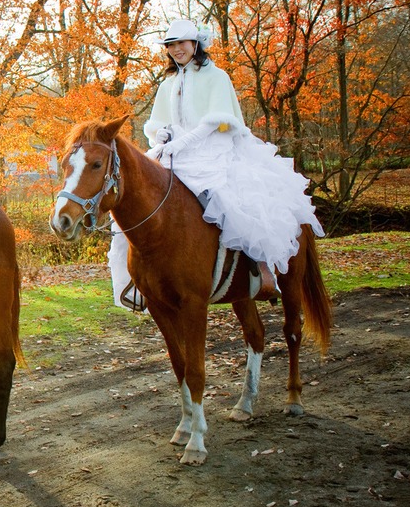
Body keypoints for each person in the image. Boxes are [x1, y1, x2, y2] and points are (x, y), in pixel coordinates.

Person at [110, 18, 324, 309]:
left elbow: (219, 121)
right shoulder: (169, 83)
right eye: (171, 45)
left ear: (195, 44)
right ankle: (136, 282)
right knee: (131, 198)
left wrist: (183, 142)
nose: (176, 50)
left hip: (213, 149)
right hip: (172, 151)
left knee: (230, 198)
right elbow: (157, 122)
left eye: (181, 43)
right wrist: (160, 133)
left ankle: (261, 270)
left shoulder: (216, 76)